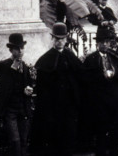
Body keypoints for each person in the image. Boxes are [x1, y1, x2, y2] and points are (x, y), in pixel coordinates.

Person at [32, 22, 83, 155]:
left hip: (70, 105)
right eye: (57, 38)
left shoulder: (71, 56)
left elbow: (80, 77)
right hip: (53, 108)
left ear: (66, 39)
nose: (59, 41)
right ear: (52, 39)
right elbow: (41, 87)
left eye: (62, 38)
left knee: (70, 136)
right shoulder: (45, 60)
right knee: (54, 138)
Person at [0, 33, 35, 156]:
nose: (21, 51)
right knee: (15, 141)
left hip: (22, 109)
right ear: (11, 50)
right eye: (17, 48)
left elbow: (28, 84)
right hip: (9, 110)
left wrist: (28, 89)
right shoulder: (2, 66)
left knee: (23, 141)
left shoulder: (25, 67)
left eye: (22, 48)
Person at [82, 25, 118, 156]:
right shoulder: (91, 59)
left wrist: (114, 73)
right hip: (100, 103)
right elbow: (87, 81)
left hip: (115, 102)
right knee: (101, 133)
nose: (105, 45)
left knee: (116, 132)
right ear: (98, 44)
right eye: (102, 42)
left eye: (107, 42)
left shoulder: (113, 57)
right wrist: (101, 76)